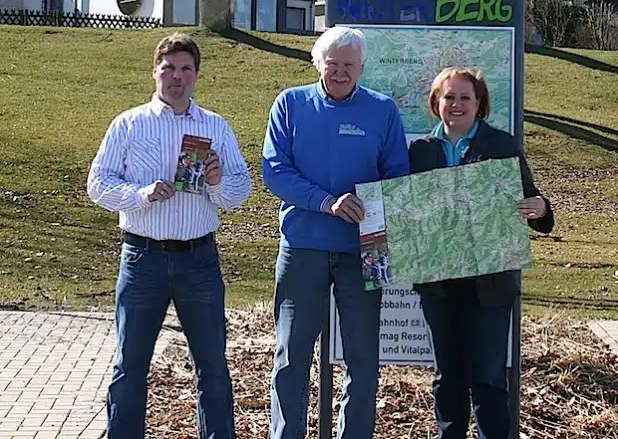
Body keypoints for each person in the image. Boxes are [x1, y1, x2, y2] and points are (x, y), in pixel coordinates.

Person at [87, 32, 252, 439]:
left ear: (196, 76)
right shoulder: (129, 124)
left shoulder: (215, 126)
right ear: (155, 72)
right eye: (169, 68)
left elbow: (239, 191)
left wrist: (216, 181)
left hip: (199, 261)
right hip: (143, 259)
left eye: (185, 69)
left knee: (212, 366)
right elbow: (97, 183)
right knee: (130, 366)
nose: (176, 77)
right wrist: (140, 195)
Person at [262, 26, 410, 439]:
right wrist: (328, 202)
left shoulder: (382, 110)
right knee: (291, 356)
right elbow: (275, 172)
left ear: (362, 67)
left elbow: (397, 176)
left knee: (363, 360)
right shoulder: (290, 104)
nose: (341, 72)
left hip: (365, 249)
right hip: (302, 245)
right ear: (317, 63)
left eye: (349, 65)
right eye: (333, 63)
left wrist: (378, 212)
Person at [408, 67, 554, 439]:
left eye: (464, 98)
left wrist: (539, 207)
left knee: (489, 377)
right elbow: (406, 214)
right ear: (436, 103)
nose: (456, 105)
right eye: (449, 97)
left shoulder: (501, 146)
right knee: (447, 376)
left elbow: (533, 205)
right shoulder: (419, 152)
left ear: (479, 104)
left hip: (490, 285)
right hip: (438, 284)